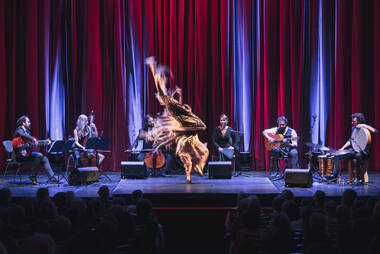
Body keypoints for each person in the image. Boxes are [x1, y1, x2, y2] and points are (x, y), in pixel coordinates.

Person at [146, 56, 209, 183]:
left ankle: (197, 167)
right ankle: (189, 176)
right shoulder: (170, 107)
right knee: (185, 157)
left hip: (186, 130)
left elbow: (176, 106)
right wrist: (153, 69)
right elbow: (161, 91)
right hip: (181, 133)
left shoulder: (176, 109)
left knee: (204, 150)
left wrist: (179, 96)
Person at [13, 115, 60, 185]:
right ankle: (33, 176)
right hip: (19, 156)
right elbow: (22, 135)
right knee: (39, 155)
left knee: (44, 158)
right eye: (28, 122)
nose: (30, 123)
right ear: (23, 123)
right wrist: (33, 139)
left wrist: (44, 142)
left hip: (26, 154)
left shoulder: (27, 131)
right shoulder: (19, 129)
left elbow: (29, 144)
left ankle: (51, 177)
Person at [337, 113, 377, 185]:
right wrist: (342, 148)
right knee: (339, 154)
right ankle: (334, 175)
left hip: (363, 151)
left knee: (358, 156)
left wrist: (364, 126)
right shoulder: (353, 129)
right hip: (354, 150)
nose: (353, 123)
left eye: (354, 121)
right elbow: (351, 140)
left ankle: (359, 178)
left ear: (359, 121)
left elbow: (375, 131)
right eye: (352, 121)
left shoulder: (366, 128)